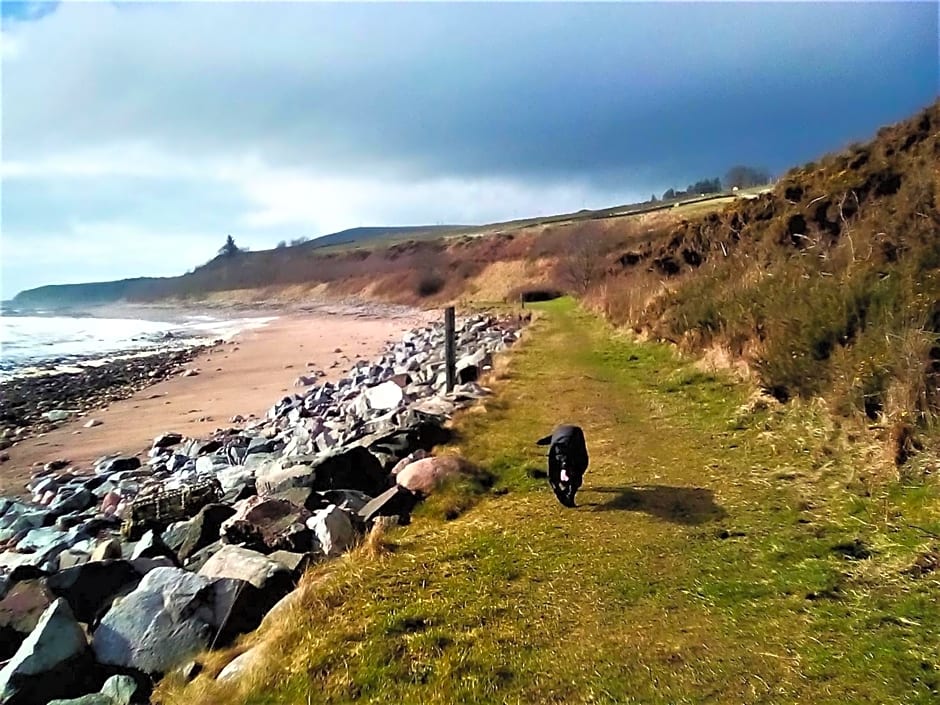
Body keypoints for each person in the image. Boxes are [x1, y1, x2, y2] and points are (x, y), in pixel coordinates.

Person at [535, 424, 589, 507]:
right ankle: (569, 491)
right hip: (561, 438)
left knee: (577, 470)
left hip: (573, 437)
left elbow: (579, 469)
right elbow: (552, 477)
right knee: (560, 472)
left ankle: (570, 494)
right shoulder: (554, 453)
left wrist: (570, 494)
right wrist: (559, 494)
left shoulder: (578, 456)